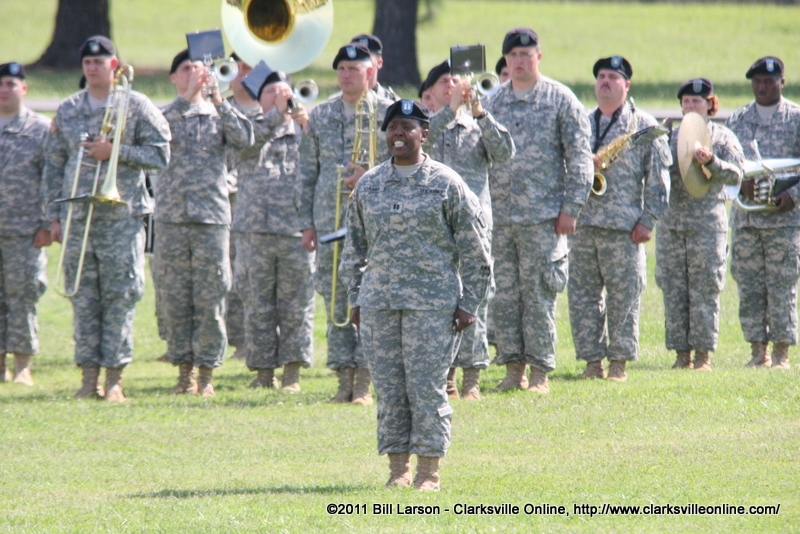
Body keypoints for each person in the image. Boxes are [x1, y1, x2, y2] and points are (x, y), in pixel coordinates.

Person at [340, 99, 492, 491]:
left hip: (433, 307)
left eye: (407, 127)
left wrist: (469, 304)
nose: (398, 134)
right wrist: (356, 298)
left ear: (424, 134)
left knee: (426, 390)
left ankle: (428, 472)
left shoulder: (446, 183)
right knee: (390, 391)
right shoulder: (369, 185)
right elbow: (353, 249)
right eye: (392, 127)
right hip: (380, 305)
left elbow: (476, 251)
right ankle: (398, 470)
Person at [43, 36, 171, 401]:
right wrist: (53, 216)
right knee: (83, 299)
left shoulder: (137, 105)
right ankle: (88, 379)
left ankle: (115, 378)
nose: (92, 68)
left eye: (99, 62)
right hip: (78, 217)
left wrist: (116, 150)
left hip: (121, 218)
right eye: (87, 63)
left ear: (114, 65)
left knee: (120, 297)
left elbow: (161, 154)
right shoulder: (69, 109)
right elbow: (53, 164)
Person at [482, 28, 593, 393]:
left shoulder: (560, 99)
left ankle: (540, 373)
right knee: (505, 298)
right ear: (505, 60)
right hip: (500, 219)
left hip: (543, 218)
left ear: (538, 57)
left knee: (539, 297)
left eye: (526, 55)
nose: (519, 61)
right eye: (513, 55)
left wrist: (571, 208)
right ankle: (513, 370)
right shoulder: (492, 102)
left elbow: (580, 158)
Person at [296, 43, 392, 405]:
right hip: (329, 220)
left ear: (371, 72)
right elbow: (306, 172)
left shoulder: (389, 112)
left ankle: (365, 381)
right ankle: (343, 379)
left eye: (354, 69)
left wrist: (370, 176)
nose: (347, 75)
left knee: (370, 298)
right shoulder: (321, 114)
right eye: (342, 70)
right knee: (335, 297)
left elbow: (408, 163)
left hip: (375, 222)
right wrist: (306, 224)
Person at [154, 49, 253, 397]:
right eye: (185, 69)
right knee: (175, 300)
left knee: (211, 298)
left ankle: (207, 374)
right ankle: (184, 375)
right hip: (171, 219)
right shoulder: (165, 114)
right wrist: (185, 99)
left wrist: (219, 101)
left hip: (211, 220)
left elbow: (245, 140)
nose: (193, 74)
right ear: (173, 77)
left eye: (198, 69)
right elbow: (154, 133)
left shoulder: (219, 114)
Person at [569, 56, 670, 381]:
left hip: (624, 229)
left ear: (627, 85)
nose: (605, 82)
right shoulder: (581, 122)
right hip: (583, 225)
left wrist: (648, 220)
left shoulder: (643, 126)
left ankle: (618, 363)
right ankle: (592, 362)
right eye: (600, 76)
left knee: (623, 298)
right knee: (582, 298)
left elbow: (659, 178)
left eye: (613, 77)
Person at [422, 60, 515, 399]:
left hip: (474, 226)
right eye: (444, 82)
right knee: (438, 300)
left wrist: (479, 112)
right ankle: (446, 376)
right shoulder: (425, 124)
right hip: (434, 226)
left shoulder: (478, 123)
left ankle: (472, 377)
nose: (452, 87)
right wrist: (449, 110)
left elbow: (504, 153)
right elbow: (421, 145)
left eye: (456, 81)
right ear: (430, 90)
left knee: (476, 299)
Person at [233, 70, 315, 390]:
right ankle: (264, 373)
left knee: (296, 305)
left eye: (284, 92)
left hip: (296, 231)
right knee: (257, 304)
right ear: (260, 99)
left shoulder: (306, 128)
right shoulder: (249, 127)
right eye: (272, 93)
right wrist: (276, 117)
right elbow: (244, 147)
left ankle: (292, 374)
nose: (280, 98)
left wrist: (307, 127)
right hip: (255, 231)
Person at [656, 79, 744, 371]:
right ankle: (681, 355)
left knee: (705, 289)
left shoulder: (722, 136)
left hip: (707, 226)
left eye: (697, 101)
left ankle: (703, 355)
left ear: (710, 104)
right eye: (686, 102)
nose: (691, 106)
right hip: (671, 225)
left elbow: (737, 175)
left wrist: (713, 162)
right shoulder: (670, 137)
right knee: (673, 290)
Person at [726, 56, 800, 369]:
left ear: (782, 82)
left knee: (782, 286)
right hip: (747, 219)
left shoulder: (796, 118)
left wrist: (793, 195)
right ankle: (758, 351)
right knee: (749, 287)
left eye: (769, 81)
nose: (762, 87)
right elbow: (726, 164)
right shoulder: (737, 119)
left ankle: (781, 353)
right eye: (757, 81)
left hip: (784, 221)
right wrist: (738, 183)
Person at [0, 62, 51, 386]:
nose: (4, 90)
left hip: (25, 231)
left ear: (24, 89)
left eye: (11, 84)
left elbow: (51, 179)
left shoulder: (40, 129)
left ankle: (22, 364)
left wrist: (48, 223)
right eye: (0, 84)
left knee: (24, 295)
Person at [350, 34, 398, 101]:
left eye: (366, 59)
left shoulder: (393, 103)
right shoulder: (335, 103)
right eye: (356, 59)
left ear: (379, 63)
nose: (360, 63)